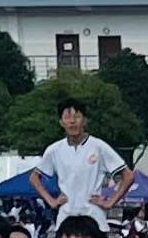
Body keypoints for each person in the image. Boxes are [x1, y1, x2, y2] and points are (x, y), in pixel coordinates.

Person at [37, 97, 129, 226]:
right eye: (67, 118)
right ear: (61, 122)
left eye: (77, 117)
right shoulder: (54, 150)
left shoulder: (98, 146)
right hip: (66, 214)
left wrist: (110, 202)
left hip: (93, 213)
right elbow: (34, 177)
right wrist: (51, 201)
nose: (72, 122)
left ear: (85, 120)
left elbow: (128, 176)